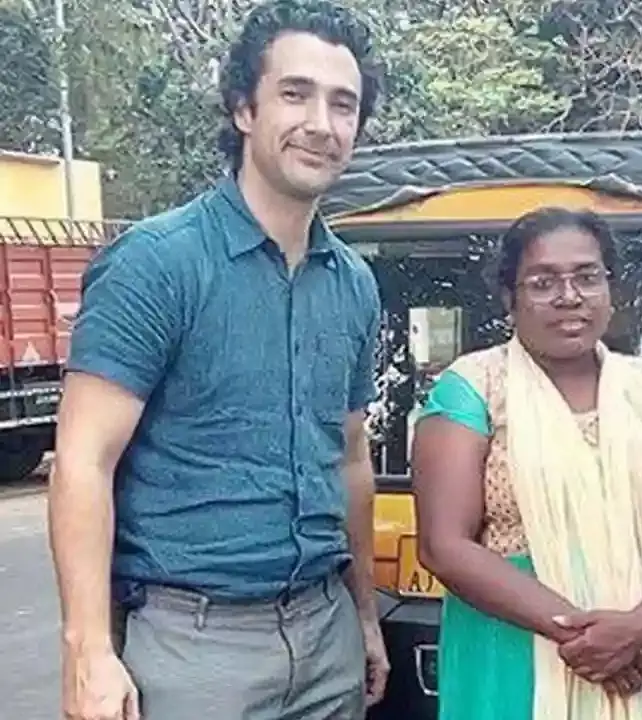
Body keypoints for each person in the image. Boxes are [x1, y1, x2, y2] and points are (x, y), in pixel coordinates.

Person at [48, 2, 388, 719]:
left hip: (327, 637)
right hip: (194, 649)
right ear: (243, 108)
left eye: (343, 104)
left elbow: (351, 457)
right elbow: (83, 461)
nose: (321, 123)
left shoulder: (353, 283)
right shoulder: (157, 264)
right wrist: (88, 651)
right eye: (294, 93)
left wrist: (363, 616)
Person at [412, 207, 642, 719]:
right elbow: (443, 546)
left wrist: (637, 626)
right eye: (543, 282)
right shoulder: (473, 389)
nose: (569, 296)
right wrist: (585, 638)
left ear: (610, 287)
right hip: (516, 649)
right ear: (509, 297)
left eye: (587, 277)